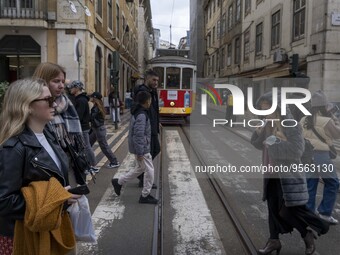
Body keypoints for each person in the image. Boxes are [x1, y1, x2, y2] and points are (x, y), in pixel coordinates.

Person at [0, 78, 81, 254]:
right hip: (24, 237)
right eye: (48, 99)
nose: (55, 103)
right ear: (27, 106)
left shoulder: (49, 135)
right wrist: (56, 200)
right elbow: (4, 202)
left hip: (51, 228)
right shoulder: (13, 147)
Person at [251, 92, 329, 255]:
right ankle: (273, 241)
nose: (266, 114)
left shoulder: (290, 124)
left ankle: (307, 234)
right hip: (271, 173)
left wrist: (275, 143)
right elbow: (259, 145)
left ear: (278, 108)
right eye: (263, 111)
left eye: (269, 110)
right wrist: (258, 133)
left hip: (288, 176)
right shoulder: (268, 125)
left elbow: (296, 150)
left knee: (287, 211)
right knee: (272, 208)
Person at [33, 62, 88, 185]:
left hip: (68, 164)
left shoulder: (66, 103)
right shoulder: (34, 111)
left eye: (63, 82)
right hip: (47, 171)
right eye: (56, 81)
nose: (61, 86)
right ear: (44, 81)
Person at [300, 90, 340, 225]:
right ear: (324, 106)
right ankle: (324, 212)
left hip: (307, 155)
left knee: (311, 184)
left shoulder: (304, 119)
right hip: (321, 156)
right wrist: (334, 119)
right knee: (333, 182)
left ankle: (309, 213)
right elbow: (337, 135)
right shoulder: (327, 120)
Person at [111, 91, 158, 204]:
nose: (151, 102)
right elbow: (138, 134)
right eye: (150, 100)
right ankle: (145, 195)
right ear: (147, 101)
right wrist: (140, 152)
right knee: (150, 171)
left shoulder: (138, 111)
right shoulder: (142, 114)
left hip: (141, 147)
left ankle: (119, 182)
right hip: (143, 148)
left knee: (140, 168)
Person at [133, 70, 160, 188]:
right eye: (154, 80)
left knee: (156, 150)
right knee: (149, 154)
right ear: (147, 79)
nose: (156, 82)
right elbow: (139, 110)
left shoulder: (152, 91)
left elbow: (154, 109)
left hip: (153, 126)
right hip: (147, 129)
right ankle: (143, 179)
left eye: (157, 80)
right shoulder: (142, 92)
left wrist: (158, 123)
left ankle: (141, 175)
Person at [68, 80, 97, 173]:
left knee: (86, 146)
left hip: (82, 127)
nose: (70, 90)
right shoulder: (81, 99)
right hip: (83, 126)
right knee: (84, 146)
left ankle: (92, 165)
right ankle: (90, 165)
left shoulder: (81, 100)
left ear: (76, 88)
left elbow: (78, 116)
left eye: (71, 88)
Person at [89, 92, 120, 168]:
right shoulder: (99, 106)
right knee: (88, 145)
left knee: (104, 147)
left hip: (99, 129)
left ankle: (114, 161)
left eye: (92, 97)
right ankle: (88, 162)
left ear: (94, 98)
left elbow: (91, 117)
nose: (90, 98)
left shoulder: (96, 107)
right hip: (96, 129)